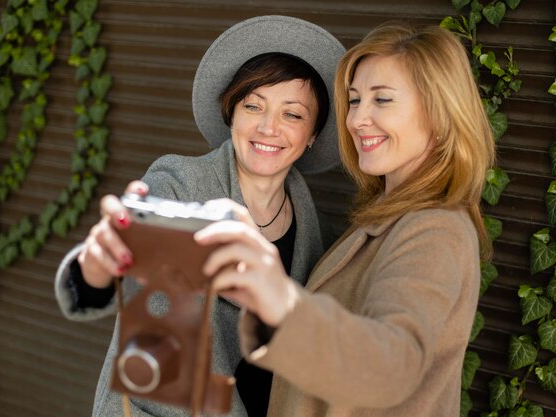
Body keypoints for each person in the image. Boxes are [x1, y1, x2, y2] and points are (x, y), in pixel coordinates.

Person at [191, 23, 496, 417]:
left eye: (382, 100)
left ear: (440, 116)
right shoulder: (385, 217)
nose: (356, 120)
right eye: (354, 101)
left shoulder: (435, 228)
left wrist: (281, 302)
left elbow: (392, 362)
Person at [54, 15, 345, 417]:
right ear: (232, 112)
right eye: (253, 105)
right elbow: (133, 300)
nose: (267, 127)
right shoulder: (179, 185)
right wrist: (94, 270)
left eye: (292, 115)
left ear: (313, 133)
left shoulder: (318, 229)